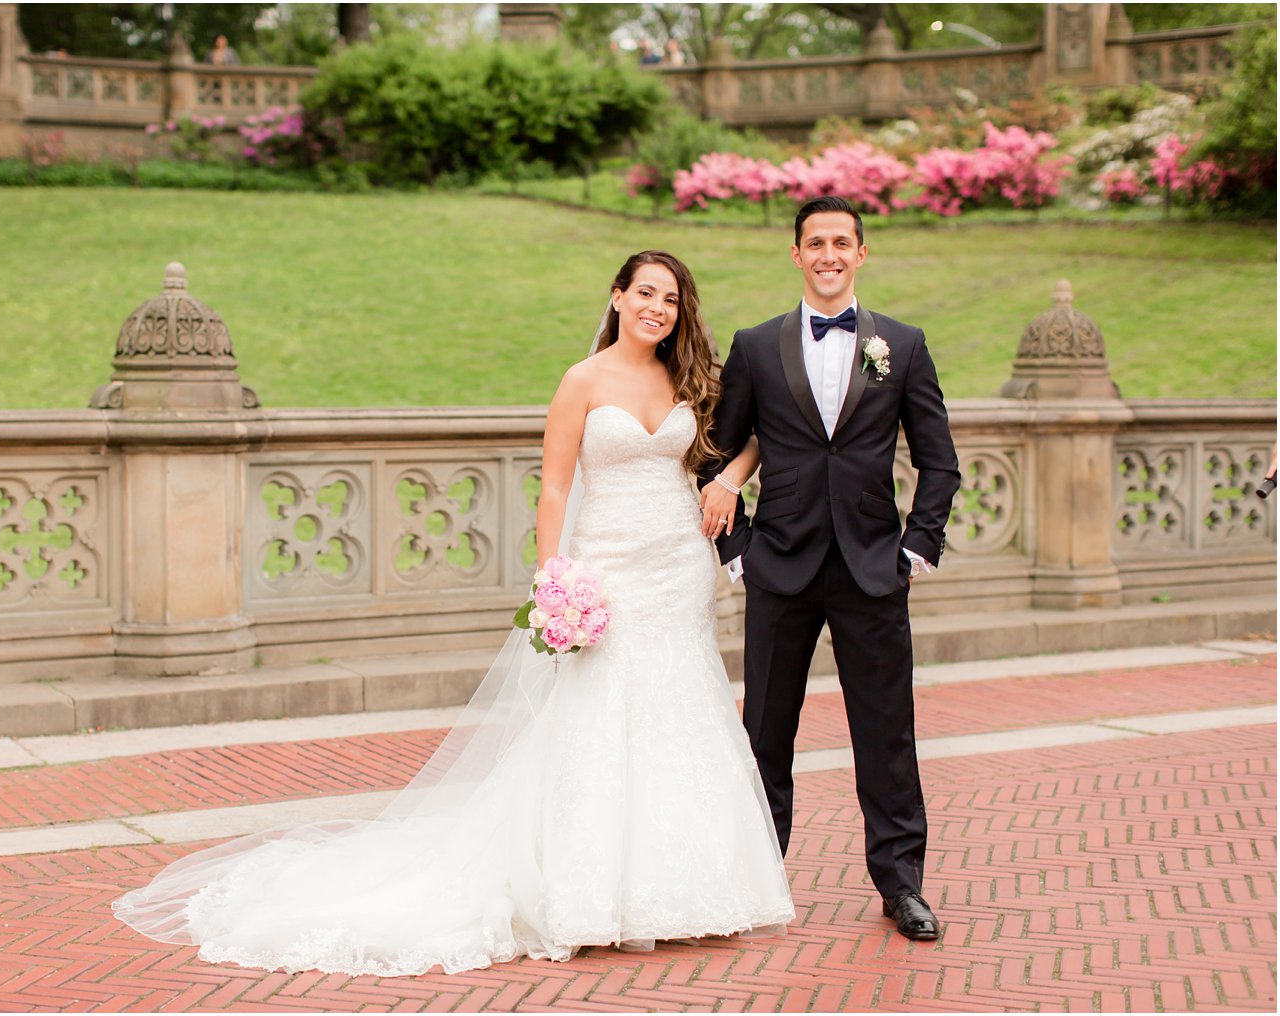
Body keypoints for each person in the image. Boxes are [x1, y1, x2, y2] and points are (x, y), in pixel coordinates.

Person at [113, 251, 794, 976]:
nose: (660, 307)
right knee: (598, 719)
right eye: (647, 293)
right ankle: (587, 889)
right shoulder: (583, 381)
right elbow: (556, 488)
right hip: (608, 568)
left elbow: (754, 436)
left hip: (677, 566)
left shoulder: (693, 378)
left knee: (679, 713)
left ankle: (683, 888)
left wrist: (726, 482)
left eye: (673, 298)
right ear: (619, 297)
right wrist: (553, 575)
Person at [697, 196, 960, 942]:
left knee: (887, 734)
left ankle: (901, 885)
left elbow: (938, 463)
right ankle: (756, 877)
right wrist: (737, 550)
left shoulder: (902, 347)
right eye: (816, 243)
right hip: (778, 566)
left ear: (861, 253)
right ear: (796, 254)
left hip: (874, 569)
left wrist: (917, 547)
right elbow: (717, 454)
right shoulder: (755, 345)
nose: (829, 254)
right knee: (765, 733)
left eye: (842, 242)